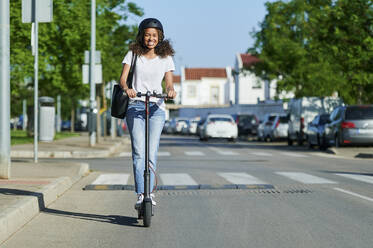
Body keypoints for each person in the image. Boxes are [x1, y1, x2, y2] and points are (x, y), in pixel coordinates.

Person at [119, 18, 176, 209]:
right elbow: (123, 80)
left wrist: (170, 90)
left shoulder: (166, 57)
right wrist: (128, 89)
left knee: (151, 153)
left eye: (154, 35)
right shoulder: (133, 54)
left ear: (160, 37)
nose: (150, 38)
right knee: (138, 152)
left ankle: (149, 193)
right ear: (142, 36)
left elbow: (169, 82)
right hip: (136, 105)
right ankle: (140, 194)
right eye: (147, 34)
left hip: (156, 108)